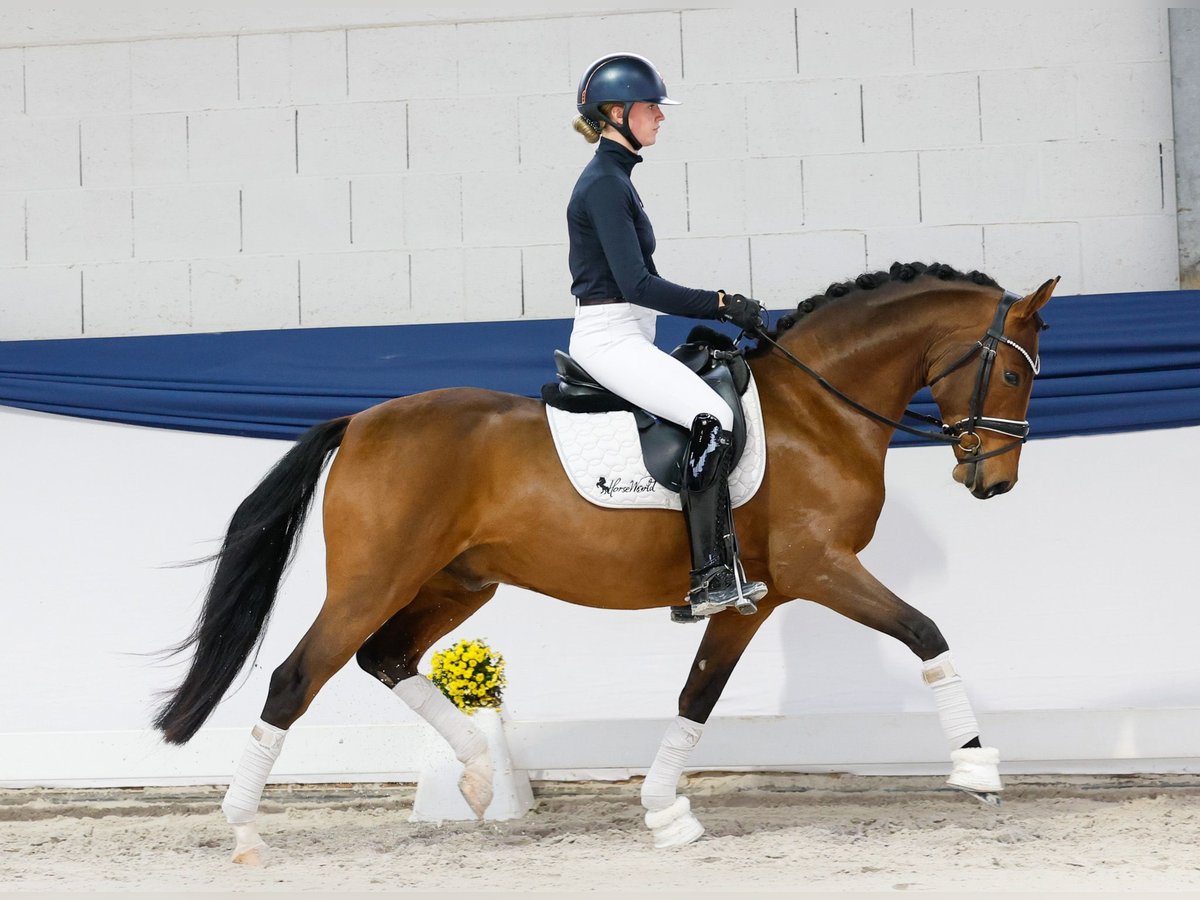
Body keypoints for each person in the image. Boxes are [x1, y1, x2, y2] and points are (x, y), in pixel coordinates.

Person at [567, 52, 768, 618]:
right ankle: (707, 578)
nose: (660, 116)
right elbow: (638, 283)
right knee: (714, 420)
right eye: (651, 106)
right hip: (610, 336)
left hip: (630, 334)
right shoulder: (605, 184)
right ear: (616, 112)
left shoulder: (618, 179)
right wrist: (722, 304)